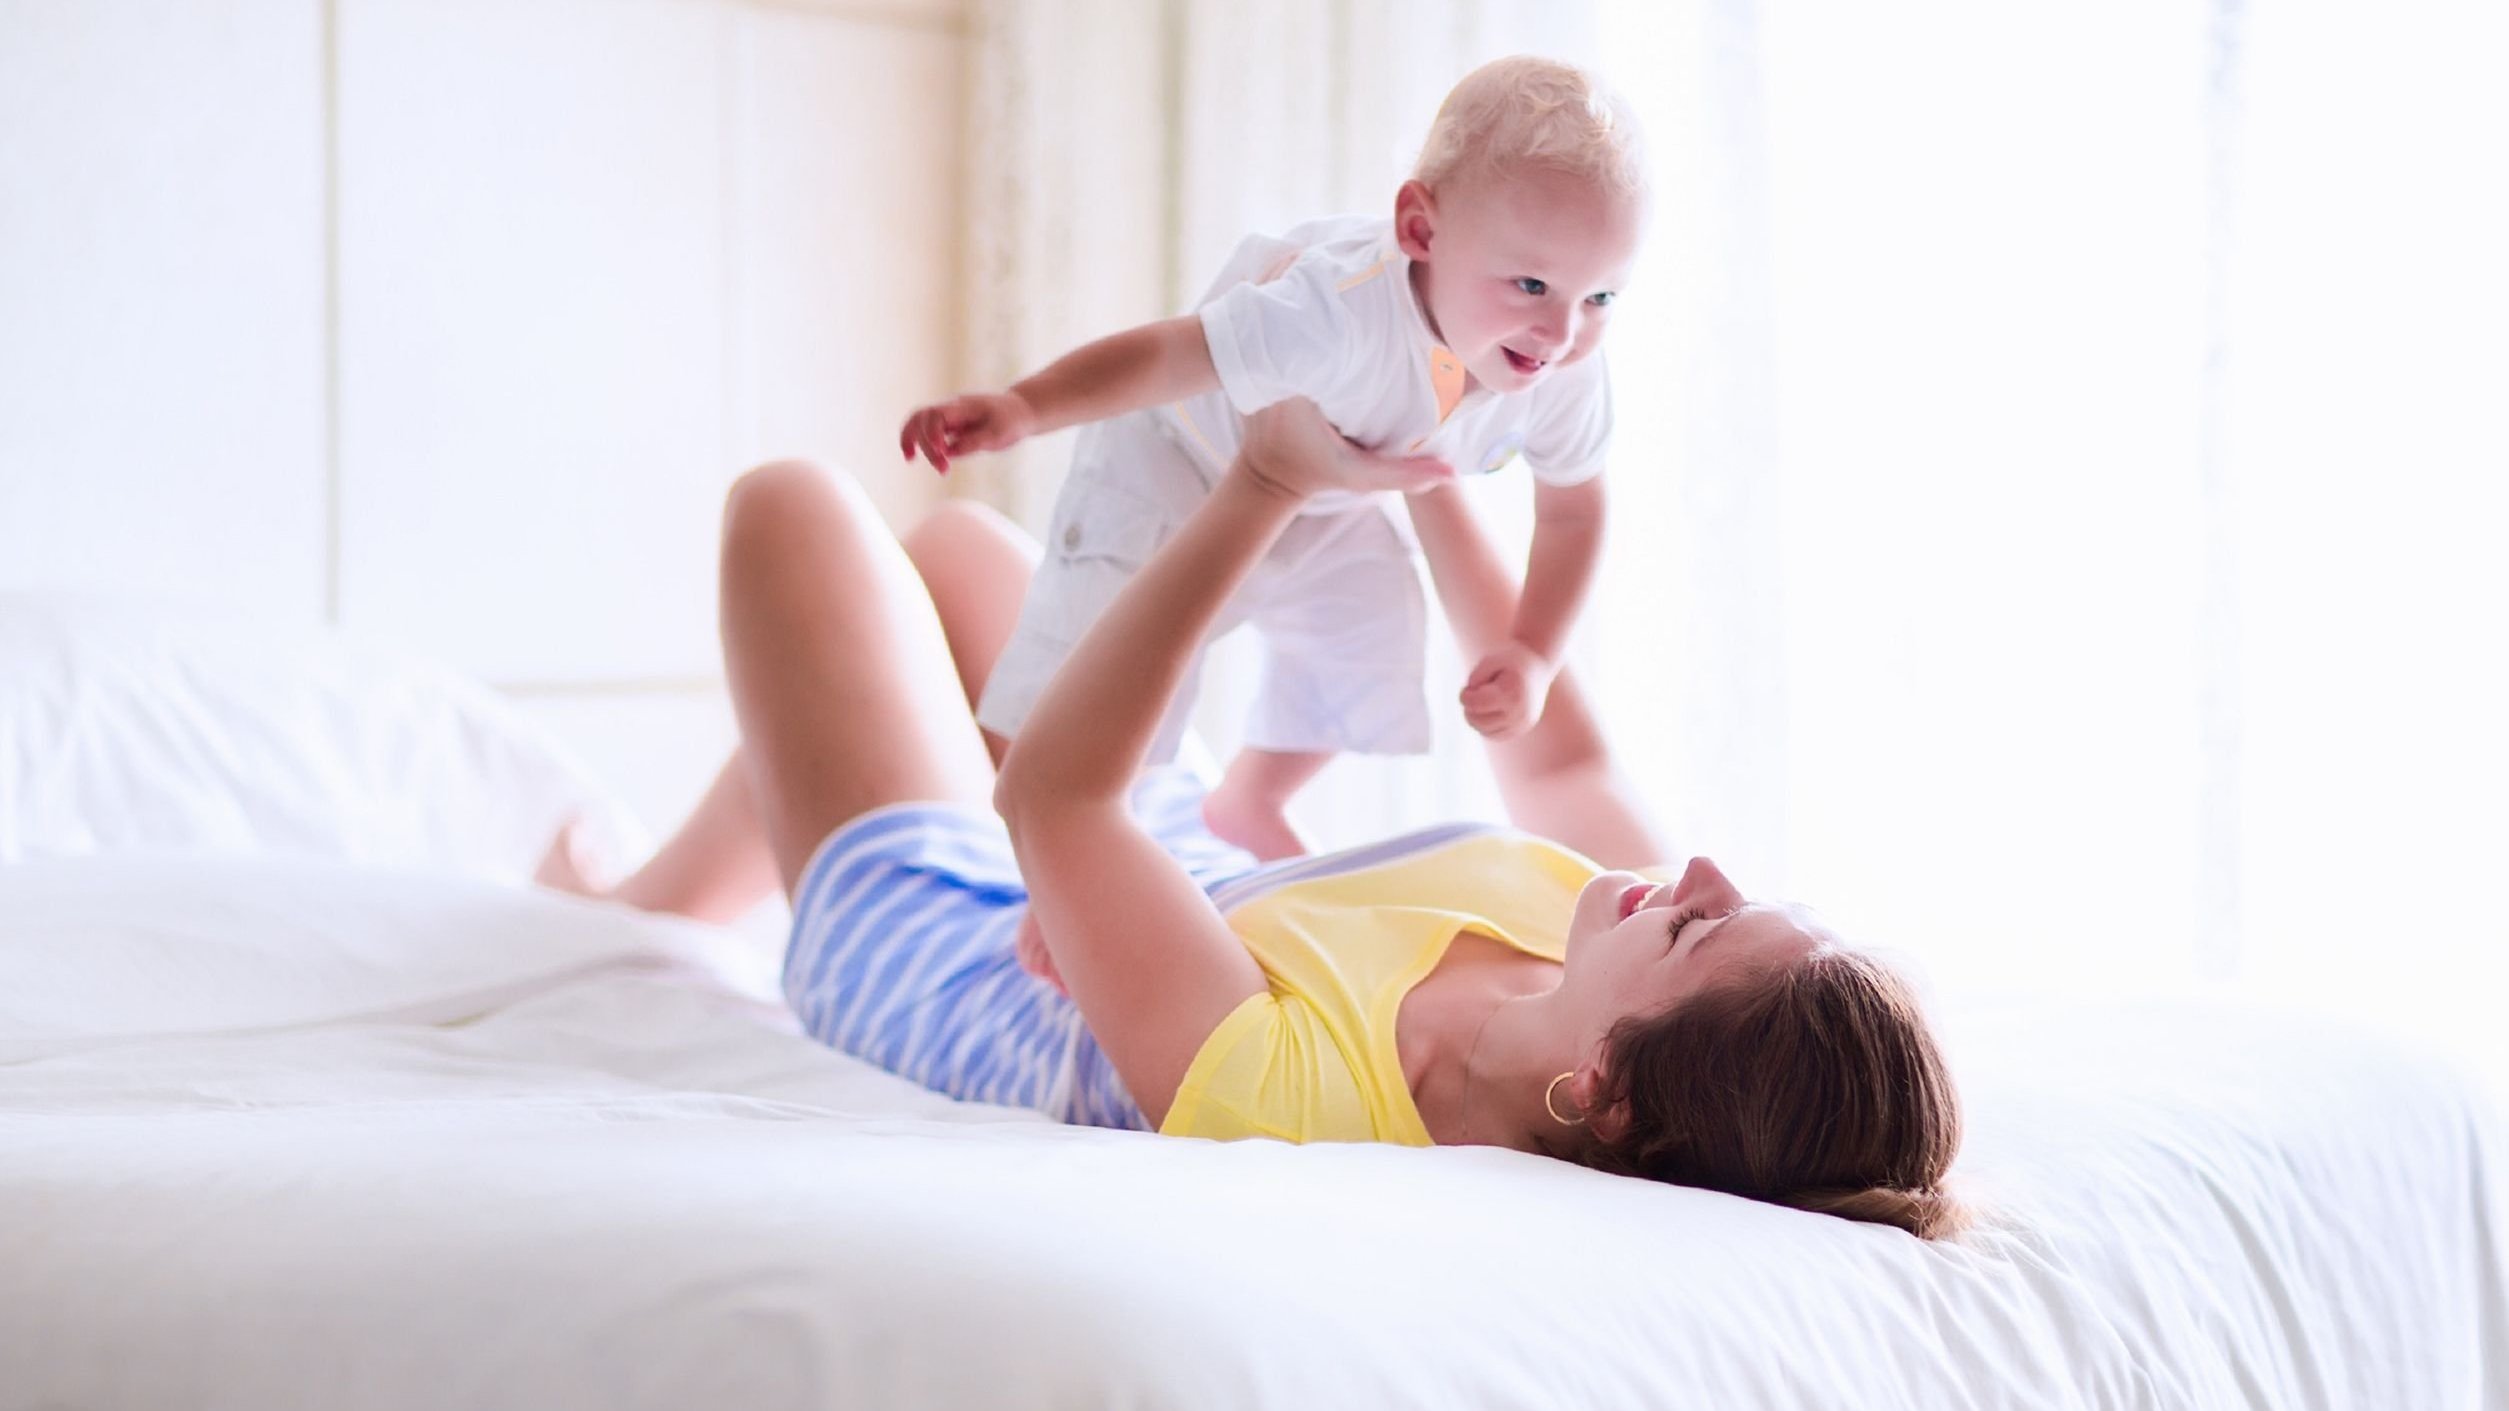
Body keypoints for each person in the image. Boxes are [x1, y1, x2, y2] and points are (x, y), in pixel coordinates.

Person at [543, 398, 1967, 1240]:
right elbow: (1551, 736)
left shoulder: (1306, 1107)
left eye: (1705, 921)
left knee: (792, 509)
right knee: (959, 557)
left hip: (967, 953)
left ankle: (668, 891)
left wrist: (1259, 490)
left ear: (1599, 1086)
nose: (1697, 869)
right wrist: (1430, 470)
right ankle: (658, 895)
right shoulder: (1596, 948)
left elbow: (1056, 798)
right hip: (1168, 878)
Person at [896, 56, 1644, 861]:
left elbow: (1573, 508)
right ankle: (1064, 859)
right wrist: (1024, 406)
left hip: (1328, 492)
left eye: (1601, 296)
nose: (1562, 333)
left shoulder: (1564, 370)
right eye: (1530, 284)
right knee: (1113, 664)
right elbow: (1167, 357)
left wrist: (1533, 651)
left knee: (1374, 636)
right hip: (1176, 459)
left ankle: (1253, 798)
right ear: (1420, 232)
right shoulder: (1335, 309)